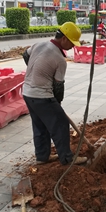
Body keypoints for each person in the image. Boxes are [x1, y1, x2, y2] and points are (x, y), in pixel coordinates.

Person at [22, 22, 88, 165]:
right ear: (64, 38)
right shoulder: (59, 59)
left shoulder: (38, 45)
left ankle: (42, 157)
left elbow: (25, 55)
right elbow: (58, 86)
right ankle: (67, 159)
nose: (73, 46)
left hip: (27, 93)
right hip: (42, 96)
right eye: (72, 43)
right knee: (60, 125)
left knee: (39, 125)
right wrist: (57, 103)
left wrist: (36, 71)